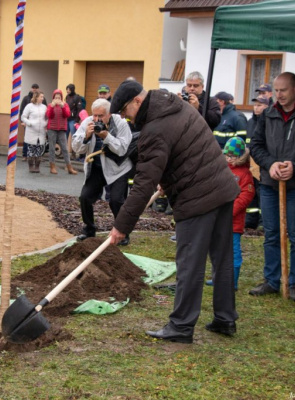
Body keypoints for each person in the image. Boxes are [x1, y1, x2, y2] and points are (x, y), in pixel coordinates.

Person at [109, 80, 240, 343]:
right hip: (222, 188)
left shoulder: (155, 128)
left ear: (137, 101)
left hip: (199, 198)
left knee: (190, 263)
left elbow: (143, 184)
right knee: (222, 257)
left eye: (125, 111)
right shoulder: (174, 104)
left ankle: (181, 325)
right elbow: (186, 150)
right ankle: (225, 319)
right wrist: (169, 178)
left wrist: (121, 225)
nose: (125, 118)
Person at [248, 72, 295, 301]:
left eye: (283, 90)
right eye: (276, 90)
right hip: (269, 183)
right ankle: (272, 280)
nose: (279, 95)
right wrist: (270, 164)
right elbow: (256, 145)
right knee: (272, 234)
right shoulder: (268, 114)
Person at [73, 98, 132, 245]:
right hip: (97, 167)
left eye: (101, 116)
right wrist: (86, 136)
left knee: (116, 200)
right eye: (95, 115)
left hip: (118, 168)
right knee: (85, 197)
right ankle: (89, 230)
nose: (97, 119)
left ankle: (123, 233)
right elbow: (76, 148)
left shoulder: (120, 123)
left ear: (109, 113)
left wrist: (107, 137)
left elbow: (122, 149)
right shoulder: (87, 122)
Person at [206, 137, 255, 290]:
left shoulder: (245, 175)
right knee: (217, 251)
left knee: (233, 252)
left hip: (233, 223)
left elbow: (245, 197)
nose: (229, 159)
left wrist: (228, 211)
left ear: (240, 156)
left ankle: (231, 281)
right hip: (217, 219)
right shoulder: (221, 169)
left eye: (233, 156)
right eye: (227, 155)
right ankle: (218, 277)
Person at [245, 96, 270, 230]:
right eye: (255, 104)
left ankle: (263, 223)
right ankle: (250, 221)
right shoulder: (250, 123)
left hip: (263, 165)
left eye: (260, 105)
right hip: (250, 165)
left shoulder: (269, 122)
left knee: (263, 196)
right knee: (251, 194)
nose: (256, 107)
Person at [46, 89, 78, 175]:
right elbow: (49, 115)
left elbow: (67, 115)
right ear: (53, 98)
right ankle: (52, 166)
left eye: (59, 97)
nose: (57, 99)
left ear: (61, 98)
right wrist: (52, 107)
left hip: (62, 129)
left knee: (65, 148)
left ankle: (69, 167)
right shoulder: (50, 105)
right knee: (52, 148)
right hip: (51, 128)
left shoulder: (65, 105)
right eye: (56, 97)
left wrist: (62, 106)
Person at [21, 89, 47, 173]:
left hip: (41, 131)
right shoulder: (29, 106)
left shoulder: (44, 107)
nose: (43, 98)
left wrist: (46, 124)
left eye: (43, 97)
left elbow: (47, 117)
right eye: (41, 97)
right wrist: (29, 123)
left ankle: (37, 166)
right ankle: (31, 166)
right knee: (31, 150)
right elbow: (23, 117)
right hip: (31, 131)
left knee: (39, 149)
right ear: (36, 97)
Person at [65, 84, 83, 157]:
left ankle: (75, 152)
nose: (67, 91)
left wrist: (77, 120)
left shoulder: (77, 97)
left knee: (74, 136)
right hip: (66, 119)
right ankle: (65, 152)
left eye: (69, 89)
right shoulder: (67, 97)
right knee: (65, 135)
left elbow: (79, 109)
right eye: (67, 89)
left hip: (73, 120)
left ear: (72, 89)